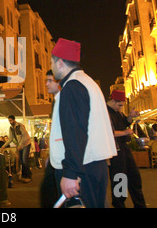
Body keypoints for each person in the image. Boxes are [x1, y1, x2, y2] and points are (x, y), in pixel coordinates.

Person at [49, 38, 117, 208]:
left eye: (51, 62)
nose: (50, 67)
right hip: (93, 166)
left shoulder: (72, 87)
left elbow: (75, 131)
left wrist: (71, 173)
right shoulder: (88, 82)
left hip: (82, 170)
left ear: (60, 63)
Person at [106, 89, 147, 208]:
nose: (120, 107)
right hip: (115, 150)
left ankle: (140, 204)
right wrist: (124, 132)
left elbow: (125, 122)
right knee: (120, 178)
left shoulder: (117, 111)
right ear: (113, 100)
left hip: (124, 148)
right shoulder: (104, 112)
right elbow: (107, 132)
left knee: (134, 176)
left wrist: (130, 117)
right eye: (119, 105)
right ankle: (119, 204)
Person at [40, 69, 60, 207]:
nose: (46, 84)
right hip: (56, 156)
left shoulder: (63, 100)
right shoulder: (56, 101)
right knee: (48, 193)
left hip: (63, 158)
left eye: (50, 80)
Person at [1, 115, 32, 183]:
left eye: (11, 120)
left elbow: (25, 136)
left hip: (26, 143)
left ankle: (28, 176)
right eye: (9, 120)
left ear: (14, 120)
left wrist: (20, 145)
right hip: (20, 145)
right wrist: (4, 146)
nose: (10, 122)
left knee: (24, 160)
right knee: (21, 160)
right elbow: (11, 138)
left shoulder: (19, 126)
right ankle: (24, 175)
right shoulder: (11, 128)